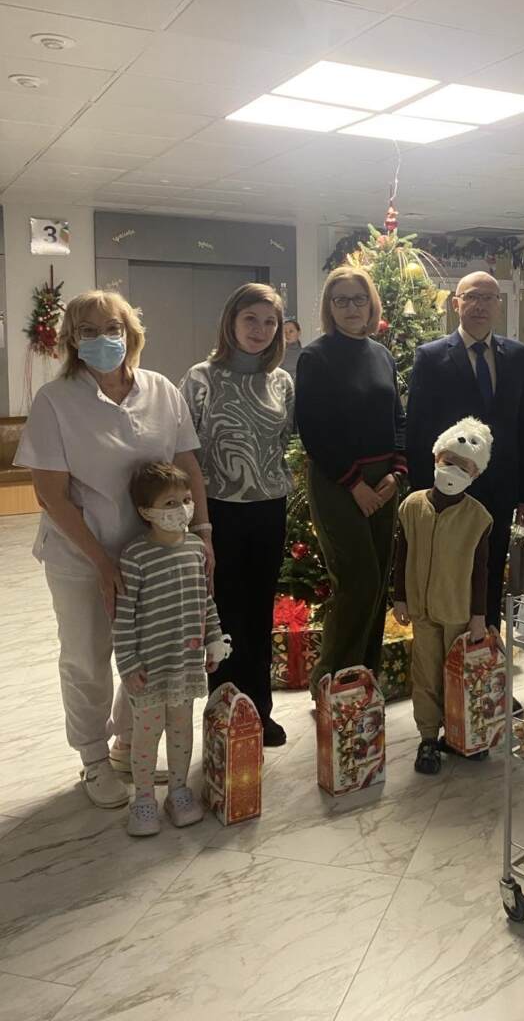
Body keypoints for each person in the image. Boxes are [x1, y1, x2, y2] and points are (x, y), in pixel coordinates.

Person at [14, 290, 210, 808]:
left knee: (148, 646)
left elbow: (187, 465)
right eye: (89, 331)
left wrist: (203, 534)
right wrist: (102, 564)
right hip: (80, 554)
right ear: (72, 341)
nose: (104, 339)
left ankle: (127, 743)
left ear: (131, 334)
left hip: (153, 551)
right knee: (87, 655)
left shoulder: (161, 390)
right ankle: (93, 757)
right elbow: (50, 495)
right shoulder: (56, 401)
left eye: (113, 328)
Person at [181, 283, 294, 747]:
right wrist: (197, 522)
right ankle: (226, 715)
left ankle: (260, 712)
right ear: (231, 321)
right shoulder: (201, 378)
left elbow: (283, 442)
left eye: (269, 322)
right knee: (224, 616)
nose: (260, 330)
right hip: (218, 513)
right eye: (250, 319)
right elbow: (184, 452)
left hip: (268, 509)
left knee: (259, 612)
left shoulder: (281, 382)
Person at [295, 266, 406, 696]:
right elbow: (314, 429)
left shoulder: (381, 355)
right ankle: (330, 681)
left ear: (371, 303)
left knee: (377, 584)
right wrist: (354, 483)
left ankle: (364, 677)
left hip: (384, 480)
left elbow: (398, 419)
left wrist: (397, 472)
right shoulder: (315, 357)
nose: (350, 308)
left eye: (358, 298)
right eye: (340, 300)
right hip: (338, 481)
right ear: (329, 307)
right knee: (357, 581)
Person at [406, 271, 524, 631]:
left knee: (492, 566)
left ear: (499, 305)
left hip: (501, 487)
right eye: (472, 297)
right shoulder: (431, 356)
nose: (480, 305)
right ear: (456, 303)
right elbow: (417, 428)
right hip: (449, 485)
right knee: (451, 565)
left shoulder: (516, 356)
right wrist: (424, 491)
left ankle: (486, 642)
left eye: (488, 298)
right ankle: (449, 642)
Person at [114, 462, 230, 836]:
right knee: (147, 735)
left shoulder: (196, 548)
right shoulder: (135, 556)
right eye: (169, 503)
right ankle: (144, 799)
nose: (181, 509)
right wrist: (128, 662)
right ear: (146, 511)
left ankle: (178, 791)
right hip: (149, 667)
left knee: (181, 729)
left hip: (186, 663)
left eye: (185, 500)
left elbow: (205, 600)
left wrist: (214, 640)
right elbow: (123, 616)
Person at [394, 417, 494, 775]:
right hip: (422, 611)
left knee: (459, 678)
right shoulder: (411, 506)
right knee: (425, 676)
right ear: (436, 457)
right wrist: (400, 597)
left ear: (476, 474)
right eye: (449, 461)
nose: (454, 470)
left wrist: (479, 616)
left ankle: (459, 734)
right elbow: (401, 555)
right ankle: (427, 737)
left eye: (465, 467)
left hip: (458, 612)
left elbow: (481, 572)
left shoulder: (478, 518)